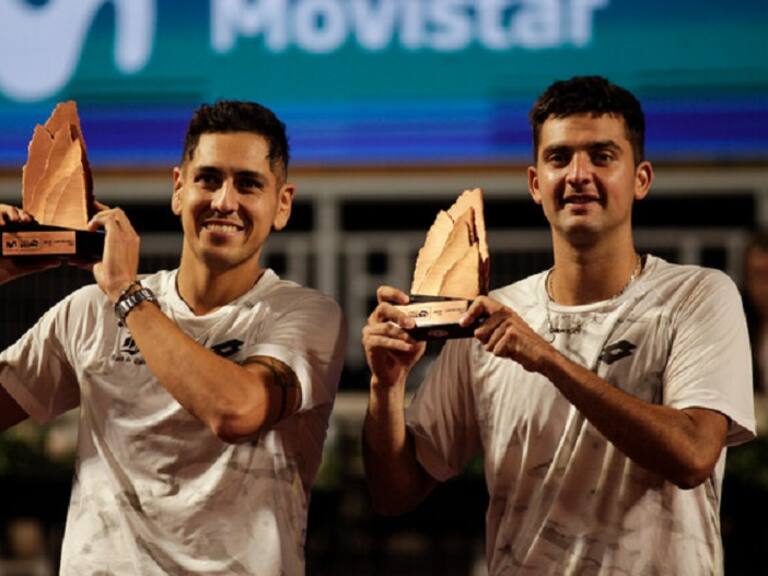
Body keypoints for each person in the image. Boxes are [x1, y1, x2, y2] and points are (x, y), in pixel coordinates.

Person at [362, 76, 755, 575]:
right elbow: (395, 493)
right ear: (535, 183)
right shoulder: (491, 317)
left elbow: (693, 454)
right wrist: (386, 386)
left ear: (641, 179)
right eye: (559, 158)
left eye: (602, 156)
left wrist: (547, 357)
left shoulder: (697, 296)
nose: (578, 174)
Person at [0, 100, 346, 574]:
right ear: (178, 189)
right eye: (208, 179)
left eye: (248, 184)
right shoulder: (88, 314)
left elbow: (236, 410)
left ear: (281, 204)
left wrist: (125, 291)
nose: (225, 201)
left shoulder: (304, 316)